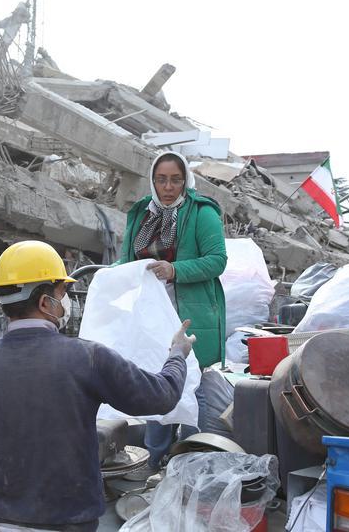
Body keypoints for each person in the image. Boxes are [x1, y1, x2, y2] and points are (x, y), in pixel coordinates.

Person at [0, 240, 196, 532]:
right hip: (70, 519)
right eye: (62, 293)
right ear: (44, 303)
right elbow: (161, 396)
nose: (66, 302)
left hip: (4, 520)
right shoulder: (87, 357)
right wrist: (177, 354)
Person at [118, 150, 228, 480]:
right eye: (161, 180)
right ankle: (153, 462)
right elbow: (127, 260)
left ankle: (189, 462)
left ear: (186, 181)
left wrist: (175, 269)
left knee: (190, 384)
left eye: (176, 180)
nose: (168, 187)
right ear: (152, 180)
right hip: (151, 316)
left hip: (189, 315)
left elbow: (217, 260)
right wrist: (110, 275)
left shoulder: (201, 212)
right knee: (155, 382)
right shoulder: (142, 213)